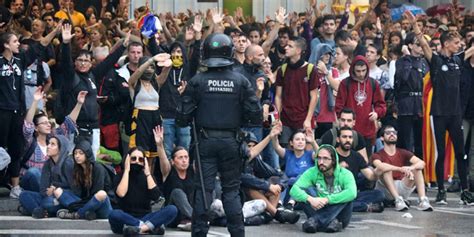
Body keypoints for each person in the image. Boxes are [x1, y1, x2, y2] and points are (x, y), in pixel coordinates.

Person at [176, 33, 262, 237]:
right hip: (232, 141)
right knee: (231, 190)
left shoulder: (197, 81)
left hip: (205, 141)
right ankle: (237, 233)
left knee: (203, 190)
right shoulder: (240, 81)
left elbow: (181, 118)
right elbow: (255, 115)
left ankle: (199, 233)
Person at [405, 10, 474, 205]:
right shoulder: (435, 61)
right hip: (439, 114)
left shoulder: (458, 60)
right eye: (455, 42)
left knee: (461, 153)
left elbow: (472, 48)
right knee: (441, 153)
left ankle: (465, 191)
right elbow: (424, 43)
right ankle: (441, 191)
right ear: (445, 44)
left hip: (455, 115)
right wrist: (415, 25)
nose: (459, 44)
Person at [0, 24, 59, 199]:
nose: (18, 44)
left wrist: (54, 32)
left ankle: (15, 187)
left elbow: (39, 46)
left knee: (16, 149)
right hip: (1, 111)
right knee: (1, 148)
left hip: (17, 111)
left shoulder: (21, 60)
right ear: (6, 45)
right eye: (15, 41)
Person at [58, 23, 127, 158]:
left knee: (93, 161)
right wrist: (66, 44)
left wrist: (123, 46)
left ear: (91, 63)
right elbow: (66, 63)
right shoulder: (71, 77)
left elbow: (108, 62)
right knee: (74, 160)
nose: (83, 63)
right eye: (80, 60)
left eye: (86, 61)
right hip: (76, 128)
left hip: (94, 127)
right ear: (75, 62)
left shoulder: (93, 75)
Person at [20, 87, 86, 192]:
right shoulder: (30, 141)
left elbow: (68, 125)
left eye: (48, 122)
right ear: (36, 127)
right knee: (34, 172)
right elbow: (27, 126)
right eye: (44, 123)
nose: (48, 125)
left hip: (48, 182)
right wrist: (36, 101)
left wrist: (79, 103)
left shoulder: (52, 139)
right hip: (31, 179)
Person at [108, 147, 178, 235]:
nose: (137, 161)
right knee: (114, 214)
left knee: (172, 209)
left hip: (145, 216)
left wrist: (148, 174)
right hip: (126, 217)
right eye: (133, 159)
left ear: (144, 162)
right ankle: (148, 227)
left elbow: (156, 196)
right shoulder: (120, 175)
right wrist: (126, 170)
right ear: (128, 159)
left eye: (140, 159)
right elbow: (121, 194)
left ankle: (140, 229)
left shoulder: (148, 177)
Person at [290, 145, 356, 233]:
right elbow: (294, 190)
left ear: (333, 161)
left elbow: (352, 192)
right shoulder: (312, 171)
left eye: (325, 158)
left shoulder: (345, 174)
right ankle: (331, 223)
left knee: (347, 196)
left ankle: (316, 221)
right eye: (319, 158)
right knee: (304, 190)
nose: (321, 162)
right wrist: (310, 199)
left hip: (339, 215)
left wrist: (327, 199)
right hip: (318, 206)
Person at [372, 125, 433, 212]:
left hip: (402, 186)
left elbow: (422, 163)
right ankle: (397, 200)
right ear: (382, 138)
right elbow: (380, 166)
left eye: (394, 133)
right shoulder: (377, 154)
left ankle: (423, 200)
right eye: (388, 133)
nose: (392, 134)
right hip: (386, 188)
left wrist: (410, 167)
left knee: (417, 169)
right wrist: (400, 169)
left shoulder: (403, 152)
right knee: (386, 169)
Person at [335, 55, 386, 157]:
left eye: (363, 70)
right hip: (349, 131)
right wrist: (343, 122)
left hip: (367, 130)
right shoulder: (345, 83)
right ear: (353, 69)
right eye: (358, 71)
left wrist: (377, 113)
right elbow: (338, 106)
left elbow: (381, 104)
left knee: (365, 162)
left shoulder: (373, 83)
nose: (361, 74)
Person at [274, 36, 319, 147]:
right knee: (286, 153)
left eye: (290, 46)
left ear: (298, 50)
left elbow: (314, 96)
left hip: (303, 118)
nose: (286, 48)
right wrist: (278, 118)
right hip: (285, 120)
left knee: (306, 150)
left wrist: (308, 119)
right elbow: (278, 96)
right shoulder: (282, 69)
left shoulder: (311, 69)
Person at [17, 135, 74, 218]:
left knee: (47, 203)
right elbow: (43, 190)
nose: (48, 146)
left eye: (52, 144)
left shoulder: (68, 163)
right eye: (48, 143)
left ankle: (35, 210)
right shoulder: (47, 164)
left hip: (65, 197)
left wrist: (55, 188)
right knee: (24, 194)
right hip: (50, 197)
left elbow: (75, 189)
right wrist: (49, 192)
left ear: (61, 148)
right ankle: (44, 212)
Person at [54, 140, 113, 220]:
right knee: (58, 191)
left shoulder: (98, 168)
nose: (77, 156)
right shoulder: (78, 169)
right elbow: (80, 194)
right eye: (75, 153)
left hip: (102, 205)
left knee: (101, 194)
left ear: (87, 154)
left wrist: (75, 205)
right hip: (87, 204)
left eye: (81, 153)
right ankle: (87, 213)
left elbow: (97, 193)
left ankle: (77, 214)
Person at [335, 126, 384, 213]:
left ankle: (349, 205)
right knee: (335, 201)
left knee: (379, 194)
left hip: (352, 193)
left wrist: (377, 172)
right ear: (338, 139)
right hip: (334, 193)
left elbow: (370, 176)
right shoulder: (331, 155)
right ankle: (365, 207)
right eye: (344, 137)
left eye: (350, 137)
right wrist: (337, 169)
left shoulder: (356, 156)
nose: (348, 140)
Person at [394, 32, 428, 158]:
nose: (421, 47)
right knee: (405, 141)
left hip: (421, 104)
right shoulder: (402, 61)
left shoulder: (425, 62)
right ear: (410, 45)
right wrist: (408, 57)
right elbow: (403, 78)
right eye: (418, 44)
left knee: (420, 141)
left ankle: (421, 172)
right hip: (406, 104)